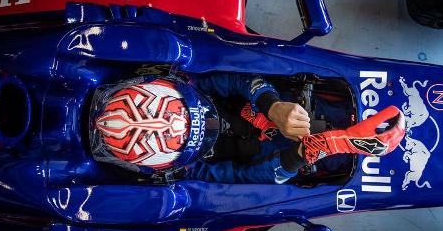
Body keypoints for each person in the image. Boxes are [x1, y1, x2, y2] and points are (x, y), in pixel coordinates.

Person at [90, 73, 405, 184]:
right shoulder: (191, 169)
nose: (211, 120)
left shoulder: (195, 84)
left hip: (302, 106)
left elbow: (238, 80)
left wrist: (271, 104)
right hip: (304, 155)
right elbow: (250, 177)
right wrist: (317, 149)